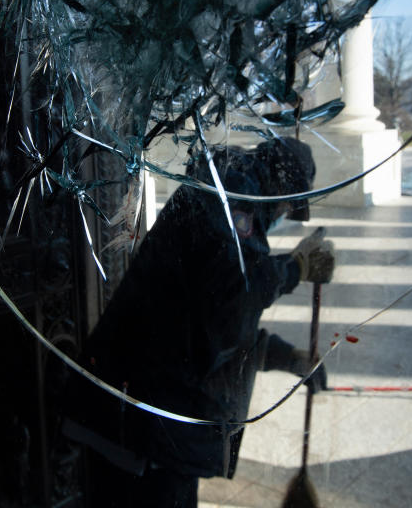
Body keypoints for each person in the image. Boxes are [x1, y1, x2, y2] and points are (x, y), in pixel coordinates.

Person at [62, 137, 335, 507]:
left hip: (145, 424)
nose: (284, 214)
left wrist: (289, 357)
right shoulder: (230, 200)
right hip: (142, 432)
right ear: (281, 190)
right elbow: (233, 299)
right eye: (288, 206)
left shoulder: (227, 197)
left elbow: (212, 330)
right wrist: (295, 269)